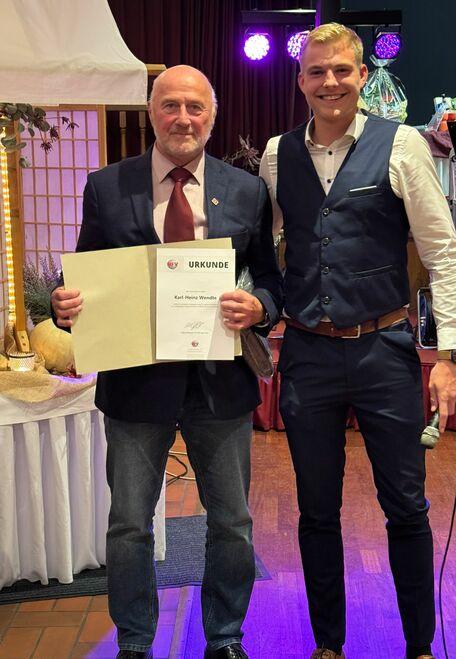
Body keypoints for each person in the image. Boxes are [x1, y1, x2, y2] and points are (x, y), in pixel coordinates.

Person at [51, 65, 283, 659]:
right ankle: (134, 642)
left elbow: (271, 281)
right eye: (171, 106)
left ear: (212, 116)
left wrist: (259, 304)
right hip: (135, 382)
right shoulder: (106, 186)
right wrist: (63, 303)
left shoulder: (247, 190)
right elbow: (83, 276)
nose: (183, 118)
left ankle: (225, 638)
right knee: (130, 524)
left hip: (219, 383)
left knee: (231, 522)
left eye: (195, 107)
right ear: (151, 112)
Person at [260, 23, 456, 659]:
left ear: (361, 75)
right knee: (316, 510)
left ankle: (419, 646)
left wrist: (449, 356)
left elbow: (444, 253)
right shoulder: (276, 155)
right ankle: (328, 646)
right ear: (301, 81)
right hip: (308, 355)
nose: (330, 82)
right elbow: (263, 252)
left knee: (405, 506)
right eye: (317, 72)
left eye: (341, 70)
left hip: (385, 351)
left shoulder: (401, 144)